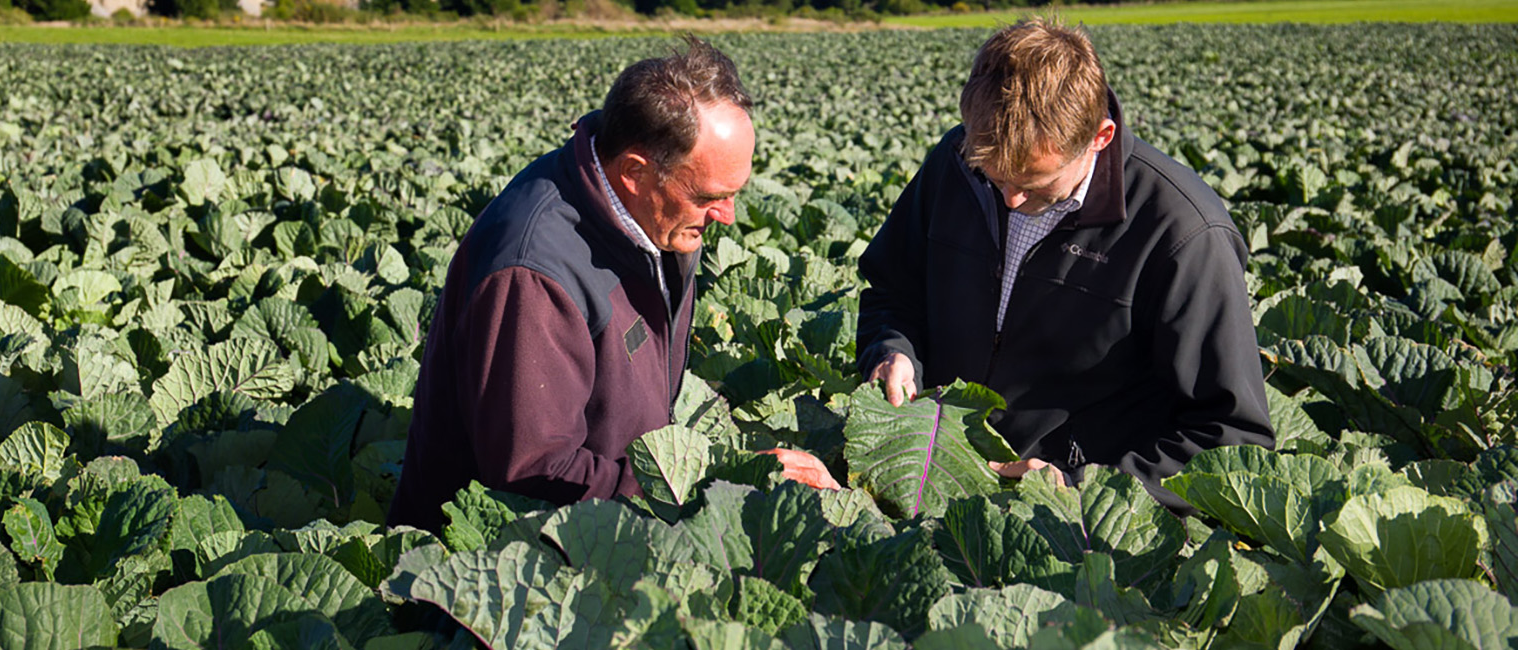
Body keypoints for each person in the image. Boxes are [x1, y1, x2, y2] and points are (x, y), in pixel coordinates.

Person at [388, 37, 838, 532]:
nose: (727, 215)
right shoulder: (533, 275)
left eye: (734, 193)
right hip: (506, 558)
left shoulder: (654, 218)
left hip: (614, 520)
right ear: (634, 173)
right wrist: (716, 484)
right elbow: (536, 474)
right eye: (709, 196)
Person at [854, 17, 1274, 512]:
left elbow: (1230, 438)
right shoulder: (953, 163)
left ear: (1100, 137)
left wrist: (1077, 489)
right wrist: (892, 350)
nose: (1010, 199)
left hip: (1077, 526)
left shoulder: (1183, 233)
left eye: (1033, 181)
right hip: (934, 478)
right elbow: (893, 291)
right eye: (993, 174)